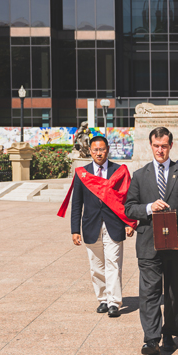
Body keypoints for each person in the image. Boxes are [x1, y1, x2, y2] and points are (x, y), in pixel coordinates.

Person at [125, 127, 178, 355]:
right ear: (151, 146)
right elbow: (129, 207)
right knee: (149, 293)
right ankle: (151, 339)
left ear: (171, 146)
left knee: (172, 292)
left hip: (175, 245)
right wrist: (148, 207)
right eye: (156, 146)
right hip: (148, 244)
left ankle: (169, 333)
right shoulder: (139, 175)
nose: (160, 150)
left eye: (164, 146)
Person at [62, 136, 136, 318]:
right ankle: (103, 299)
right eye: (95, 150)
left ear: (108, 149)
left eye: (102, 149)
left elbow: (127, 199)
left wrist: (129, 222)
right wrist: (74, 230)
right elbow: (77, 203)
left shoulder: (119, 171)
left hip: (114, 224)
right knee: (96, 266)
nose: (98, 153)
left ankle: (114, 302)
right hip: (91, 225)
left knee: (113, 264)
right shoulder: (82, 173)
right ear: (90, 151)